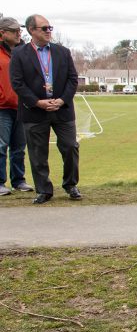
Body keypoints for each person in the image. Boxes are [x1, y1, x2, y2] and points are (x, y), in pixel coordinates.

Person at [10, 14, 81, 204]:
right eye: (44, 28)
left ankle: (71, 184)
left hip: (62, 109)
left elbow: (72, 79)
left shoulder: (63, 52)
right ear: (32, 30)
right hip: (34, 111)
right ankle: (44, 190)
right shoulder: (19, 54)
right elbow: (17, 83)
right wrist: (37, 102)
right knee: (37, 153)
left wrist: (62, 100)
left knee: (70, 147)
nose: (49, 31)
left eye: (50, 28)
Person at [0, 17, 33, 196]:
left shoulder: (22, 52)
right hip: (2, 107)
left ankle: (19, 180)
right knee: (1, 146)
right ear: (2, 33)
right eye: (13, 31)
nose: (18, 33)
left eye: (19, 31)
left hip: (20, 106)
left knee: (19, 147)